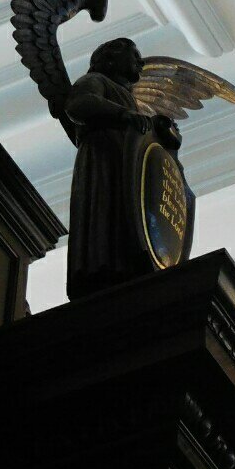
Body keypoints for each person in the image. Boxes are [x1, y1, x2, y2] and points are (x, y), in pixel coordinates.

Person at [64, 37, 180, 299]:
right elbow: (78, 104)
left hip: (125, 162)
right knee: (106, 208)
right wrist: (124, 114)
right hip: (104, 158)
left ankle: (126, 260)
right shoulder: (95, 80)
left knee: (124, 210)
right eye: (134, 55)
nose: (140, 62)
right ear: (110, 59)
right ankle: (104, 264)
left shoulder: (128, 97)